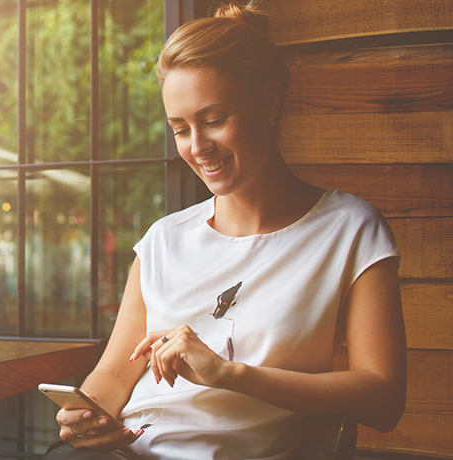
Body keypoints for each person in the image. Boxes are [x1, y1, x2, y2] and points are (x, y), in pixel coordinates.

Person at [44, 2, 406, 459]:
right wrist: (86, 415)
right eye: (180, 129)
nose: (198, 148)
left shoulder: (349, 230)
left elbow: (384, 399)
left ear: (269, 103)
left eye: (214, 120)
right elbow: (115, 375)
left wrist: (228, 373)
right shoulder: (163, 240)